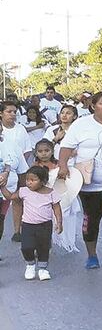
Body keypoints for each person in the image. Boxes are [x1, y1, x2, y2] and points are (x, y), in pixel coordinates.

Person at [58, 92, 102, 268]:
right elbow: (66, 147)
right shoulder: (80, 125)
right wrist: (63, 166)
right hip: (90, 185)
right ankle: (92, 255)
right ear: (93, 106)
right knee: (91, 220)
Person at [0, 165, 61, 281]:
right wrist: (2, 187)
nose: (29, 182)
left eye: (33, 180)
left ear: (43, 181)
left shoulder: (51, 193)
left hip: (45, 225)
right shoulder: (24, 191)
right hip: (28, 225)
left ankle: (43, 269)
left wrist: (59, 223)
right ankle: (30, 265)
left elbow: (57, 208)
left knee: (44, 247)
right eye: (27, 179)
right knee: (26, 246)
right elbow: (10, 196)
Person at [1, 100, 33, 242]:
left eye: (15, 112)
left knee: (17, 200)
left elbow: (26, 150)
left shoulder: (20, 129)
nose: (13, 114)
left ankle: (17, 231)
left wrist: (17, 164)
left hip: (17, 172)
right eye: (9, 111)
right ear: (1, 113)